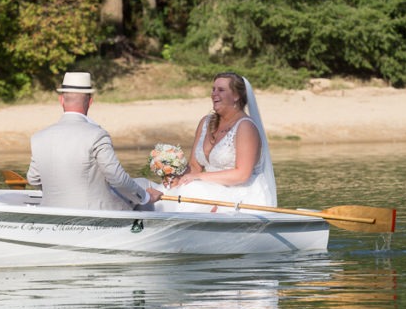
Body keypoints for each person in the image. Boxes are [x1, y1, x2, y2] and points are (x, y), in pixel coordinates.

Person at [27, 72, 162, 210]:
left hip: (51, 208)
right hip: (94, 210)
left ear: (61, 100)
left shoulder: (38, 137)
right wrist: (146, 197)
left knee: (138, 186)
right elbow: (117, 178)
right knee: (144, 187)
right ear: (90, 102)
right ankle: (146, 228)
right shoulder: (98, 135)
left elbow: (33, 178)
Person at [163, 72, 277, 210]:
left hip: (240, 193)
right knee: (166, 190)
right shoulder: (205, 123)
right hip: (208, 187)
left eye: (221, 90)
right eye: (213, 89)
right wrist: (176, 176)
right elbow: (194, 167)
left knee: (190, 190)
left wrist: (198, 177)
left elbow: (242, 175)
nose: (214, 94)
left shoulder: (245, 127)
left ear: (236, 96)